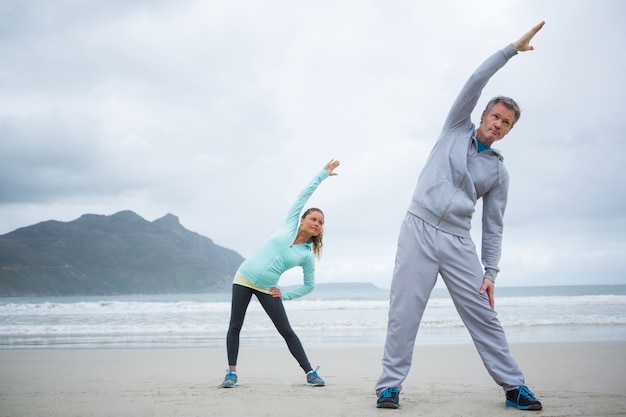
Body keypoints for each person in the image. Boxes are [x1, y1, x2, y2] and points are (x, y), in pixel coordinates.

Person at [375, 22, 545, 411]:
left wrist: (491, 272)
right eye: (495, 116)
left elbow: (493, 225)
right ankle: (389, 387)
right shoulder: (454, 128)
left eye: (506, 123)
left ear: (508, 131)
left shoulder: (499, 173)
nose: (498, 124)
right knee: (403, 313)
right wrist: (511, 50)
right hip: (417, 229)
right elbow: (476, 78)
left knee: (485, 317)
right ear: (483, 113)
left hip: (456, 242)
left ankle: (513, 387)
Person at [220, 159, 340, 388]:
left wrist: (284, 295)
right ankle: (231, 373)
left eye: (321, 223)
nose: (317, 224)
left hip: (268, 288)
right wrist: (322, 175)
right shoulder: (288, 225)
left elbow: (309, 285)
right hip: (244, 278)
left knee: (286, 330)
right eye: (313, 219)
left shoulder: (306, 255)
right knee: (235, 325)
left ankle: (310, 372)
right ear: (303, 219)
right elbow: (303, 196)